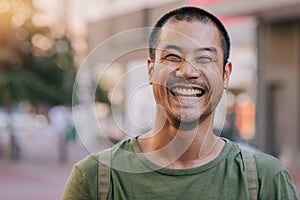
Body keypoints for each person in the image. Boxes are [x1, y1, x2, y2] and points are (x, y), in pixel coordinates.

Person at [62, 7, 299, 199]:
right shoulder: (97, 179)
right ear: (151, 70)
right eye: (173, 57)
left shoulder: (265, 179)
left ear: (225, 75)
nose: (187, 71)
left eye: (205, 58)